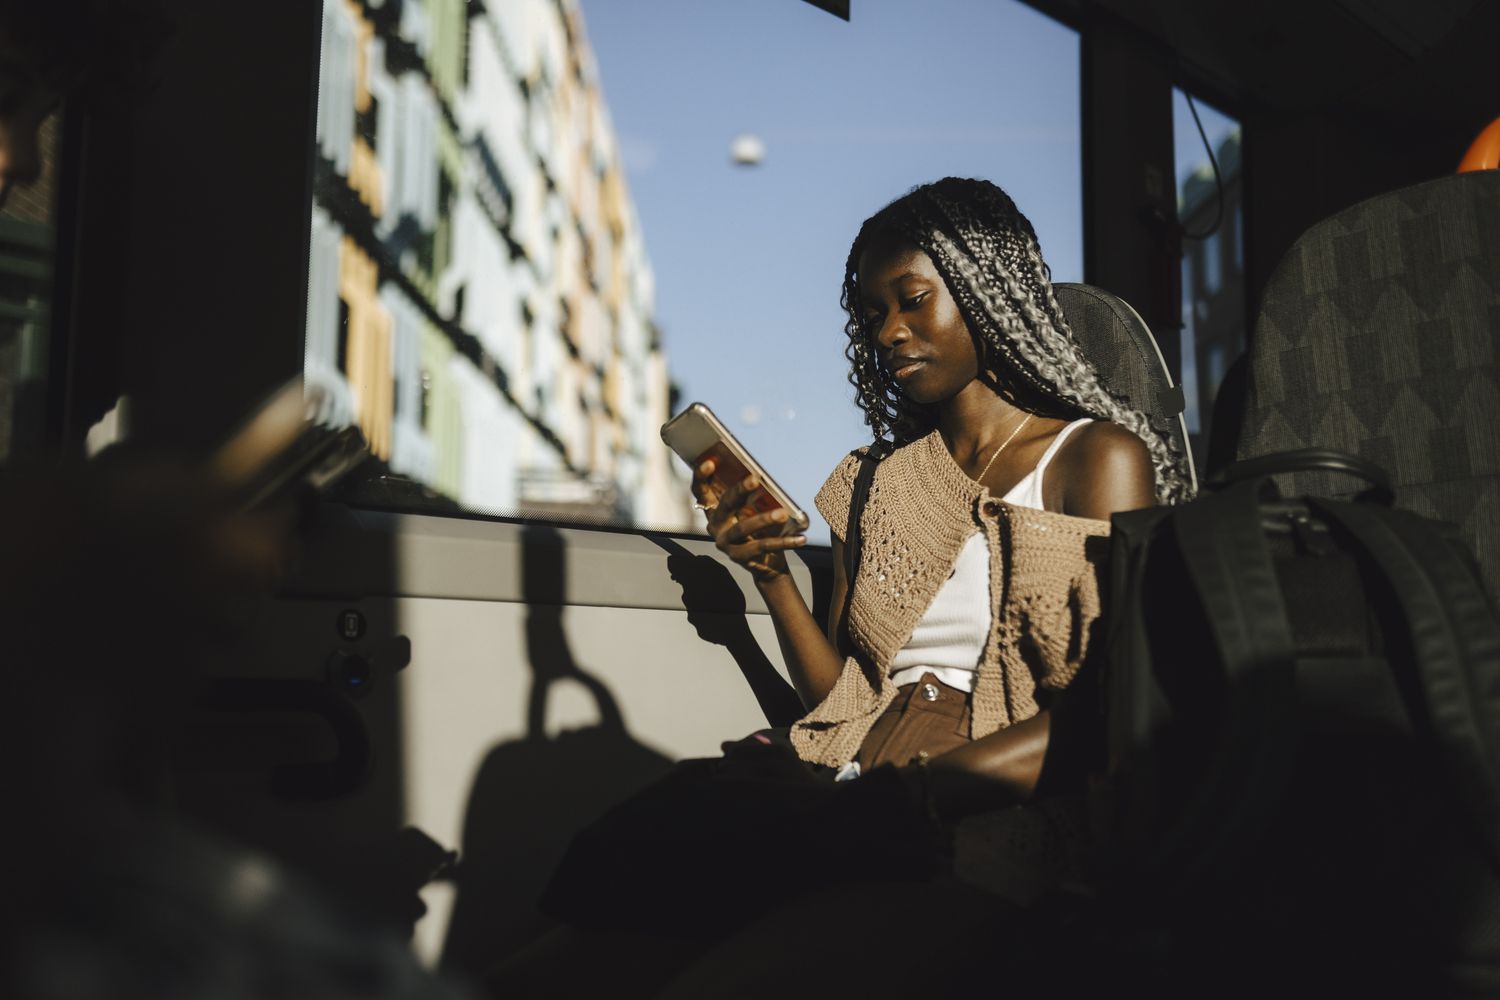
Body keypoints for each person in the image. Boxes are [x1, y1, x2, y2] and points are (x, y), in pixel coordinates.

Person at [489, 177, 1193, 997]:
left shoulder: (1094, 457)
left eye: (913, 301)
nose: (888, 331)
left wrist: (904, 796)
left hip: (992, 798)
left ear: (987, 294)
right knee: (560, 962)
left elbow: (1107, 713)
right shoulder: (873, 483)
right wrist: (770, 577)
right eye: (871, 313)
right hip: (850, 767)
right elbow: (844, 701)